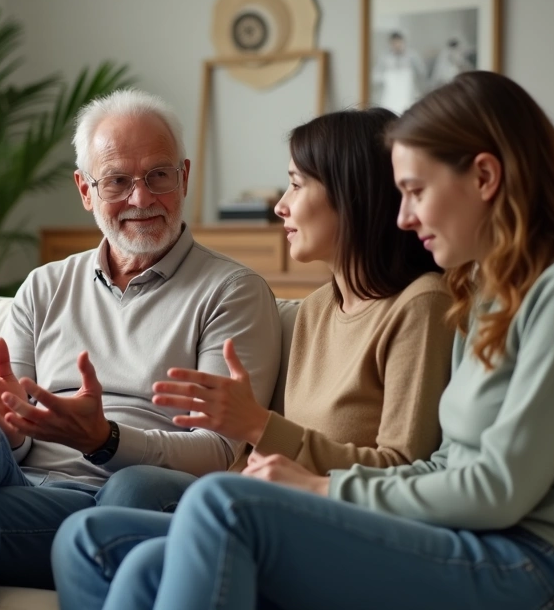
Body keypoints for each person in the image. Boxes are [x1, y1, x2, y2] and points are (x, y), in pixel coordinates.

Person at [67, 71, 554, 610]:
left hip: (524, 564)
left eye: (414, 191)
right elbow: (443, 464)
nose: (404, 217)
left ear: (485, 177)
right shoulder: (488, 291)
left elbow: (495, 491)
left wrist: (318, 487)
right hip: (460, 540)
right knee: (142, 560)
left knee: (222, 506)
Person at [0, 89, 282, 610]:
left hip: (125, 498)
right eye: (118, 181)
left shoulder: (232, 291)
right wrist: (9, 428)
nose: (141, 199)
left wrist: (106, 438)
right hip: (25, 487)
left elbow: (218, 450)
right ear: (85, 189)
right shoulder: (45, 285)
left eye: (158, 175)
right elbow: (16, 434)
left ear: (184, 177)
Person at [52, 107, 457, 608]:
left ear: (352, 196)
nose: (281, 207)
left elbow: (405, 468)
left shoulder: (421, 305)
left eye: (295, 185)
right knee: (84, 537)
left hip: (348, 528)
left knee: (124, 543)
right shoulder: (315, 310)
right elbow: (264, 454)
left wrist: (258, 426)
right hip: (269, 508)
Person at [372, 31, 427, 113]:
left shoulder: (412, 56)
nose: (397, 45)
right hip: (390, 96)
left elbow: (421, 72)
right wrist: (387, 76)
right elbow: (376, 76)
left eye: (399, 42)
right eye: (394, 43)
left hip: (407, 94)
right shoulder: (385, 57)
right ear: (390, 43)